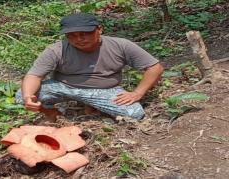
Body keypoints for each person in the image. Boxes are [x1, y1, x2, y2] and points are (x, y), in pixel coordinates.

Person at [16, 13, 163, 121]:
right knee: (22, 96)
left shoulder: (120, 45)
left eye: (85, 33)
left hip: (103, 89)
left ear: (99, 29)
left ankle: (91, 104)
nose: (79, 39)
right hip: (65, 86)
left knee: (134, 113)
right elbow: (34, 75)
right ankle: (51, 113)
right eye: (71, 35)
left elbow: (154, 68)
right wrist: (28, 96)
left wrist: (137, 93)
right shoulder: (56, 50)